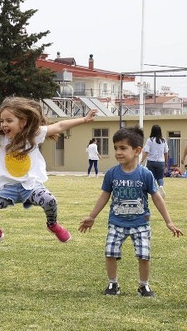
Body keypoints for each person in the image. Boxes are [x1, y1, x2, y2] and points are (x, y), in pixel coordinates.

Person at [0, 87, 97, 250]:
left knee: (50, 201)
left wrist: (84, 119)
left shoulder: (35, 134)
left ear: (23, 122)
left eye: (9, 121)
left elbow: (60, 126)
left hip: (31, 187)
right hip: (6, 189)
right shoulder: (2, 136)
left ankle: (52, 225)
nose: (4, 124)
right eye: (2, 121)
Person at [78, 126, 182, 297]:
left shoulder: (145, 174)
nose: (118, 152)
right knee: (110, 252)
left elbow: (157, 198)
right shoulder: (112, 174)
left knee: (144, 255)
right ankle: (113, 284)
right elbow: (104, 196)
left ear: (137, 150)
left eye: (123, 148)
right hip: (116, 222)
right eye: (116, 148)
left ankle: (144, 286)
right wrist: (92, 216)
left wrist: (168, 222)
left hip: (141, 223)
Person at [140, 125, 168, 198]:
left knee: (152, 177)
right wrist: (166, 162)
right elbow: (166, 152)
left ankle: (154, 191)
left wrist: (142, 160)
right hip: (161, 162)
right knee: (160, 177)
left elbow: (146, 151)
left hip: (151, 161)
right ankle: (161, 186)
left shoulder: (150, 140)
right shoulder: (163, 140)